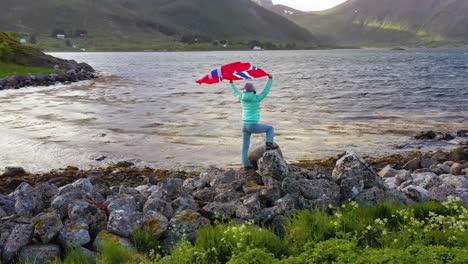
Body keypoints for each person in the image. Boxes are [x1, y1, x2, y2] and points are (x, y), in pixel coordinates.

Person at [229, 75, 277, 170]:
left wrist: (231, 84)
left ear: (245, 90)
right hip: (253, 125)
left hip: (244, 125)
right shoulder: (256, 98)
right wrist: (270, 80)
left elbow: (235, 92)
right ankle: (269, 144)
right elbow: (265, 91)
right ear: (253, 90)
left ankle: (246, 166)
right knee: (270, 128)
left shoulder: (241, 97)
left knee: (245, 146)